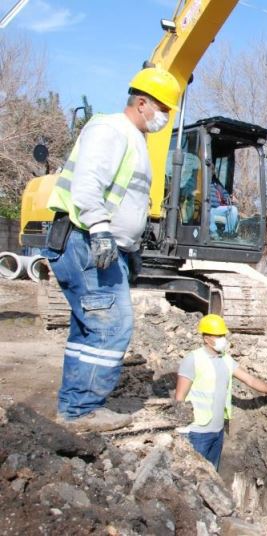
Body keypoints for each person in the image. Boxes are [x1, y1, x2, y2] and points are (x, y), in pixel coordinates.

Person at [43, 67, 181, 432]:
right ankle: (82, 411)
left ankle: (74, 406)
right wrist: (103, 234)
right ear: (142, 102)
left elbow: (126, 201)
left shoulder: (135, 140)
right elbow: (88, 186)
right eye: (163, 109)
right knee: (111, 326)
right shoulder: (110, 130)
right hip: (85, 240)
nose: (165, 118)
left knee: (89, 329)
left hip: (101, 244)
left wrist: (131, 248)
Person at [175, 314, 267, 470]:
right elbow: (179, 397)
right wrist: (181, 429)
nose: (222, 339)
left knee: (212, 478)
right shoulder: (193, 359)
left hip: (217, 431)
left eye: (223, 335)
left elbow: (250, 380)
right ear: (206, 338)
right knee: (193, 477)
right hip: (197, 432)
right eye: (218, 335)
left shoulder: (225, 359)